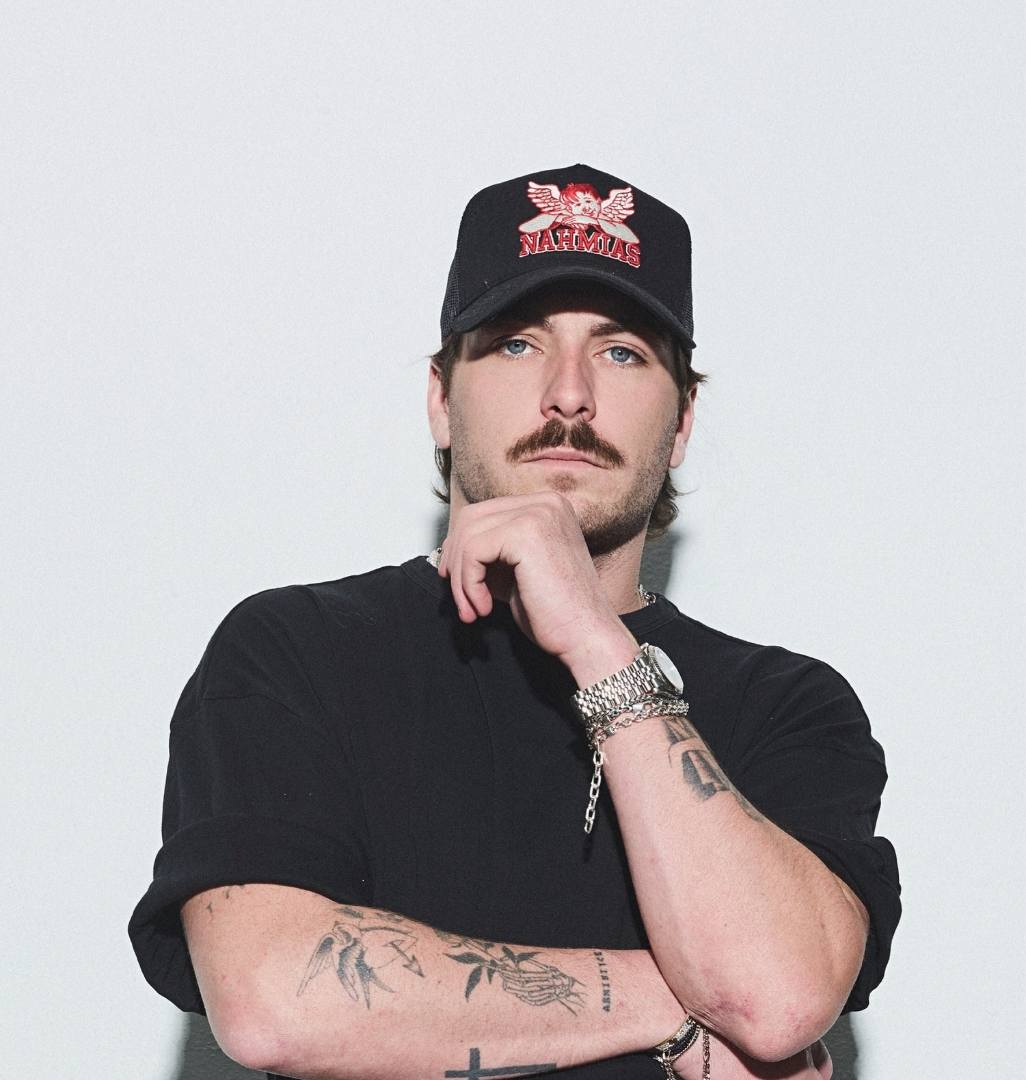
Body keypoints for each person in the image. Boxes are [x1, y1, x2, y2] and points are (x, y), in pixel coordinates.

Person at [130, 164, 900, 1080]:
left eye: (622, 353)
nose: (569, 395)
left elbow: (776, 999)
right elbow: (272, 1001)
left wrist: (598, 644)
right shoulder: (298, 650)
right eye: (516, 345)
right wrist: (676, 1007)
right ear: (440, 399)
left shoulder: (788, 706)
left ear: (683, 422)